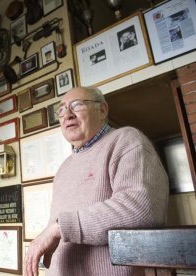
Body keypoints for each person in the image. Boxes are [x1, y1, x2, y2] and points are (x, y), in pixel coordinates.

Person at [24, 86, 169, 276]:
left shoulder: (126, 140)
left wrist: (60, 227)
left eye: (76, 105)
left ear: (102, 110)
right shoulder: (63, 168)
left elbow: (142, 208)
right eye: (61, 109)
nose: (67, 114)